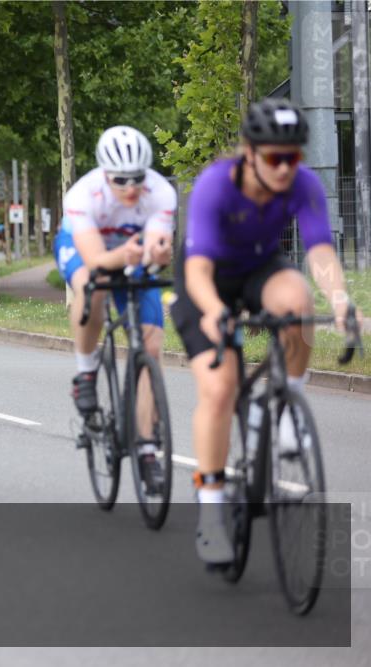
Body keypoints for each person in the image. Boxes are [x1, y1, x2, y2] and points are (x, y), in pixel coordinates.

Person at [171, 98, 361, 565]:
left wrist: (340, 300)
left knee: (298, 298)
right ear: (248, 152)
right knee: (219, 389)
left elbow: (319, 252)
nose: (284, 168)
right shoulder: (217, 185)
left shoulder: (303, 183)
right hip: (207, 279)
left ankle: (285, 405)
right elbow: (196, 269)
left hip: (260, 270)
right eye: (274, 157)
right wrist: (215, 310)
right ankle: (212, 508)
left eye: (293, 157)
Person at [53, 125, 176, 483]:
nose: (131, 188)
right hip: (83, 248)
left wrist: (158, 254)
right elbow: (94, 260)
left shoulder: (161, 193)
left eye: (137, 178)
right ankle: (86, 372)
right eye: (120, 180)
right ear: (105, 174)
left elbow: (155, 250)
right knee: (94, 289)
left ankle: (148, 448)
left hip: (129, 251)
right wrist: (128, 254)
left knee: (152, 345)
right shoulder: (82, 196)